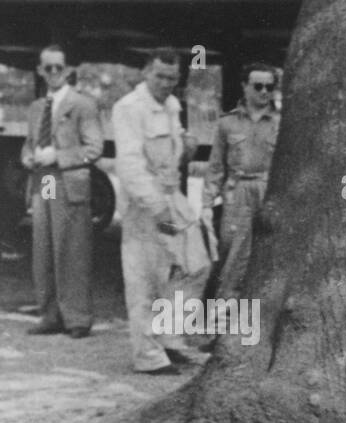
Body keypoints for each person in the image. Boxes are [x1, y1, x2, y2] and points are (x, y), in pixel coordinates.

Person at [111, 48, 206, 375]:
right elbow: (130, 167)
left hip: (172, 192)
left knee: (196, 265)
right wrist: (156, 207)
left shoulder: (172, 105)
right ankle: (148, 356)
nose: (166, 83)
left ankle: (169, 338)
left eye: (172, 78)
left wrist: (185, 144)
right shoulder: (128, 108)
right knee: (145, 279)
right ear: (145, 73)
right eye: (159, 76)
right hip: (144, 203)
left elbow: (171, 146)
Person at [21, 44, 103, 339]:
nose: (53, 73)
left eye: (59, 67)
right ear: (40, 71)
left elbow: (94, 147)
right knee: (44, 247)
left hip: (68, 179)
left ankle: (77, 318)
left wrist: (59, 155)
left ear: (68, 70)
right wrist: (29, 156)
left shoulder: (82, 104)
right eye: (47, 68)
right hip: (45, 182)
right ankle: (50, 314)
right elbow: (29, 143)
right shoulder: (36, 107)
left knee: (71, 249)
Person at [202, 63, 279, 297]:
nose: (264, 92)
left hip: (267, 192)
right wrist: (206, 203)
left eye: (270, 86)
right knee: (232, 254)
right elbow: (216, 167)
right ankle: (222, 313)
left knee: (265, 254)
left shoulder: (280, 123)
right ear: (245, 87)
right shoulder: (228, 123)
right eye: (258, 86)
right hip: (237, 193)